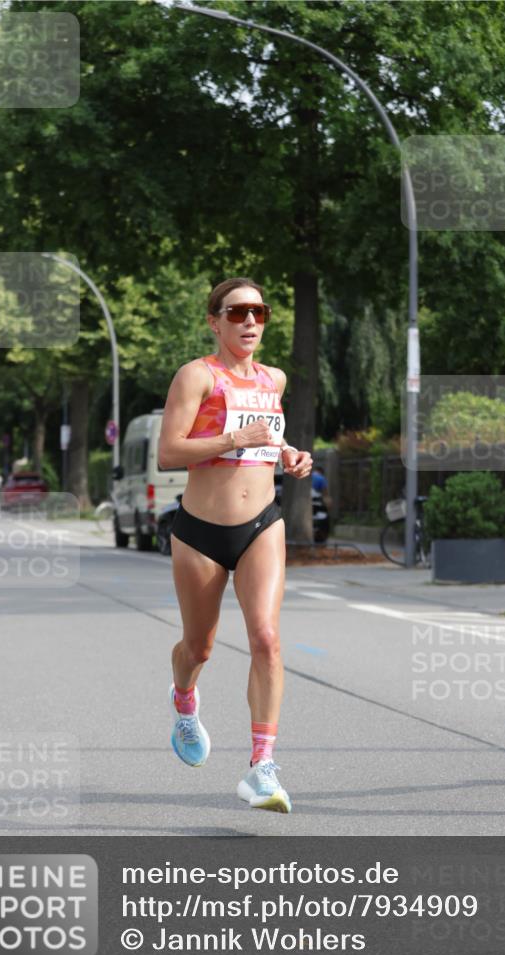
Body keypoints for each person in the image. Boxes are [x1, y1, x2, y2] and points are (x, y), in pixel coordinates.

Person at [158, 278, 313, 812]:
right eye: (238, 312)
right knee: (198, 647)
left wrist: (291, 455)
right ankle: (184, 701)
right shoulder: (197, 376)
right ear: (215, 321)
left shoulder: (274, 378)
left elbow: (267, 440)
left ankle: (262, 767)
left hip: (261, 525)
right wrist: (229, 439)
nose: (250, 322)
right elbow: (168, 452)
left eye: (259, 313)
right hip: (200, 532)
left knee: (267, 639)